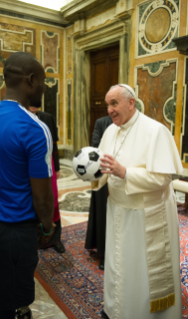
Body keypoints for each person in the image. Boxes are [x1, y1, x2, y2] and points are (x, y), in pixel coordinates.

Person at [92, 84, 183, 319]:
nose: (110, 110)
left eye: (114, 103)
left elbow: (163, 177)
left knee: (143, 272)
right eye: (107, 105)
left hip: (147, 214)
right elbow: (103, 166)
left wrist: (125, 173)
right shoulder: (111, 130)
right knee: (118, 266)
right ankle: (116, 310)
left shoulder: (155, 131)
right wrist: (91, 173)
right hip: (118, 211)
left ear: (131, 103)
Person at [0, 52, 55, 319]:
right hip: (15, 229)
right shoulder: (33, 127)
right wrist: (47, 226)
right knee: (15, 303)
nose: (45, 87)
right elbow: (43, 198)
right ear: (31, 80)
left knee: (2, 294)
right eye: (43, 81)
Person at [29, 106, 65, 253]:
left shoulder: (47, 117)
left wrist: (56, 167)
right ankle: (36, 238)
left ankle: (55, 239)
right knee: (34, 201)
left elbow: (54, 146)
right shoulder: (21, 119)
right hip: (29, 165)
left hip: (48, 163)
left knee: (53, 201)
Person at [85, 115, 112, 270]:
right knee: (103, 216)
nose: (111, 109)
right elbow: (94, 147)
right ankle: (103, 253)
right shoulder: (101, 122)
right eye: (109, 105)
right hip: (104, 175)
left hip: (126, 177)